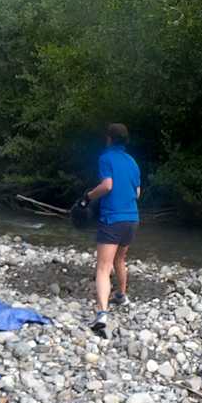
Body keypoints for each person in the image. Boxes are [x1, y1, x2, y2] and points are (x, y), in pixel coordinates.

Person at [82, 123, 141, 336]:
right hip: (132, 219)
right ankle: (121, 296)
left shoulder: (106, 158)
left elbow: (107, 185)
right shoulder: (133, 162)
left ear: (108, 138)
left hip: (112, 219)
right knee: (120, 260)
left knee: (103, 267)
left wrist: (88, 197)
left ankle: (102, 314)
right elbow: (137, 192)